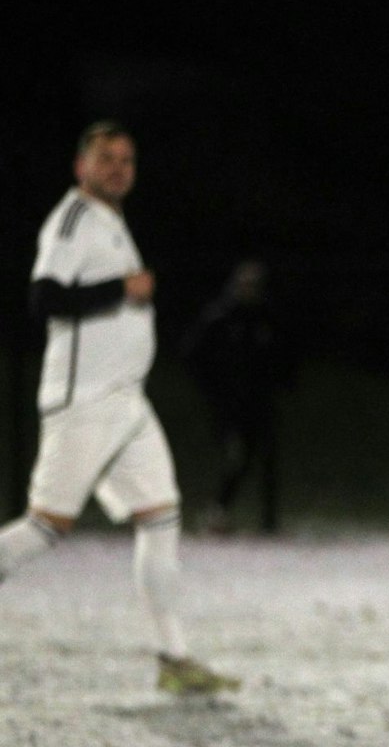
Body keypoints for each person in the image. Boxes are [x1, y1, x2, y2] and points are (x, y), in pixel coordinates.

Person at [0, 121, 240, 697]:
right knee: (44, 529)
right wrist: (121, 290)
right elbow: (44, 298)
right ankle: (174, 657)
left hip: (126, 402)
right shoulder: (73, 220)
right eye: (105, 158)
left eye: (126, 160)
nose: (117, 169)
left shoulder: (111, 221)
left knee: (161, 518)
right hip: (85, 402)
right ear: (80, 167)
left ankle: (174, 659)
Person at [180, 257, 295, 534]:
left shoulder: (266, 317)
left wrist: (283, 383)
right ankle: (218, 510)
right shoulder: (219, 317)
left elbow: (283, 356)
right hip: (228, 404)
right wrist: (213, 389)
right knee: (237, 456)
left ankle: (269, 522)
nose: (250, 289)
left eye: (255, 284)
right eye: (245, 283)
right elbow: (192, 355)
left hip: (260, 401)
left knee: (268, 457)